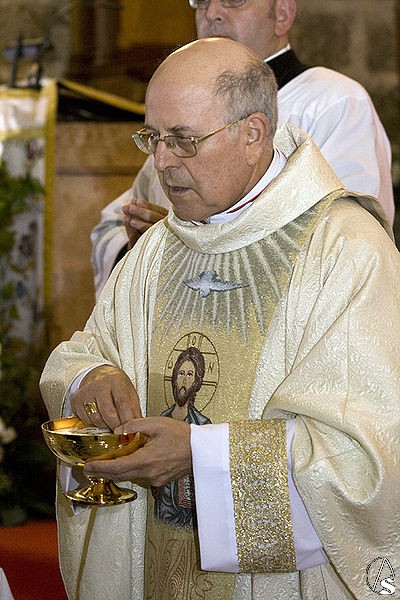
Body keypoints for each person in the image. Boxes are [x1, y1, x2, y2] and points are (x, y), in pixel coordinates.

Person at [40, 38, 400, 600]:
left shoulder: (347, 252)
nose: (160, 162)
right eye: (153, 138)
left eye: (183, 140)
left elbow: (367, 459)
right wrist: (93, 378)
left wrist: (200, 458)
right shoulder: (157, 250)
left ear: (253, 134)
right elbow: (87, 348)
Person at [91, 0, 395, 298]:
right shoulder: (179, 118)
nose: (212, 14)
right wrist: (151, 250)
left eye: (233, 1)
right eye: (201, 2)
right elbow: (113, 226)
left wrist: (188, 246)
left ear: (282, 14)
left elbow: (345, 247)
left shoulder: (334, 103)